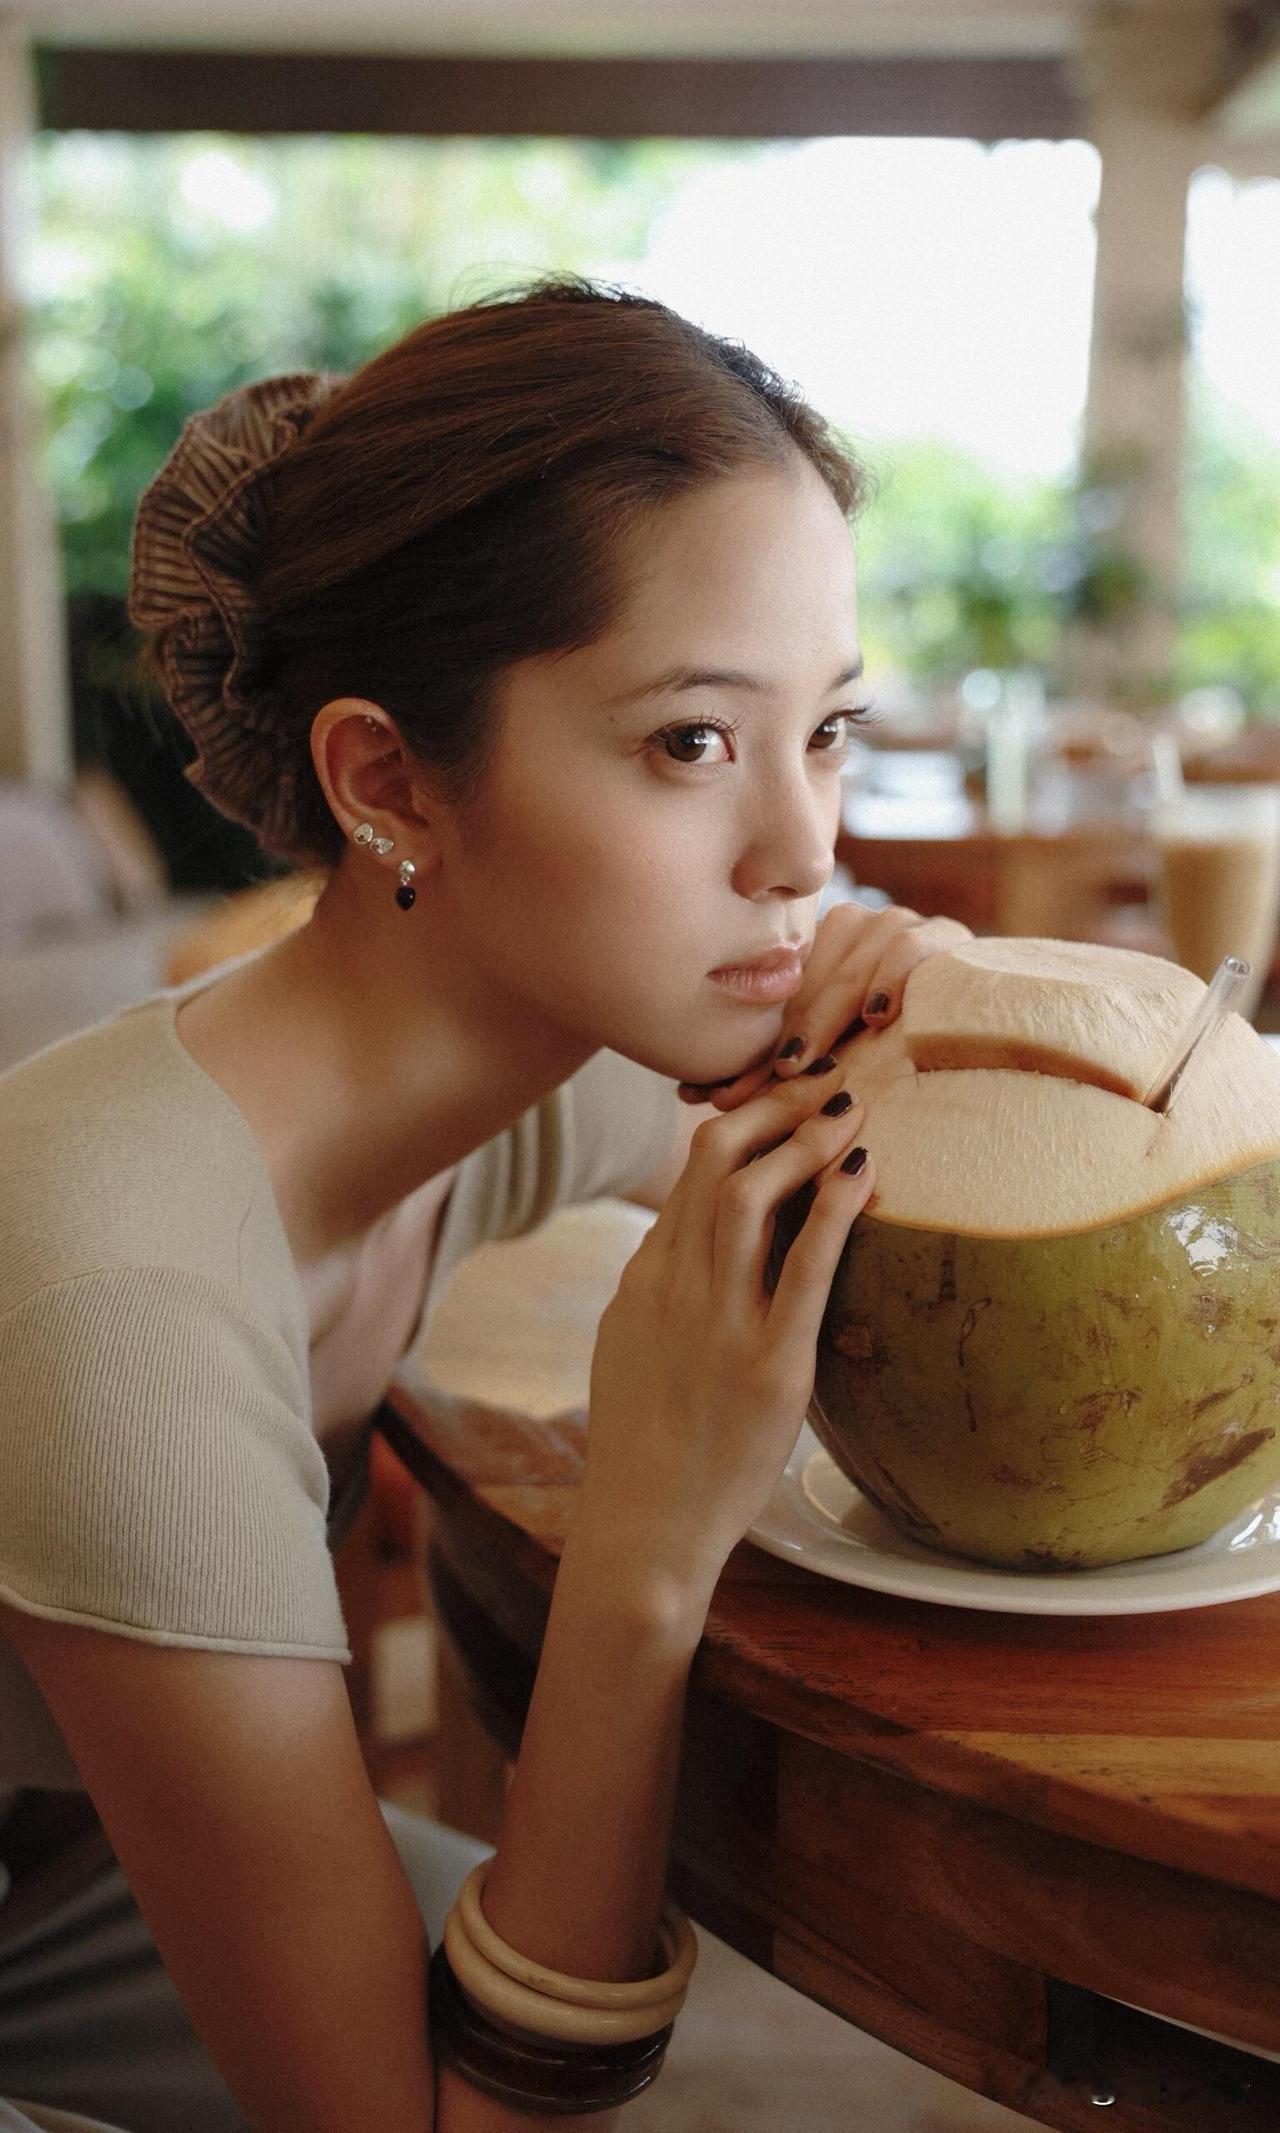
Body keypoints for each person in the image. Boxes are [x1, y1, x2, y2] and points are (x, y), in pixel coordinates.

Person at [0, 276, 969, 2131]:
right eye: (692, 741)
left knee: (548, 1986)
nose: (805, 849)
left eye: (826, 729)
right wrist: (642, 1558)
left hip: (56, 1871)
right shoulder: (115, 1282)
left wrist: (940, 1014)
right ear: (386, 779)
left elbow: (938, 1127)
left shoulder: (521, 1049)